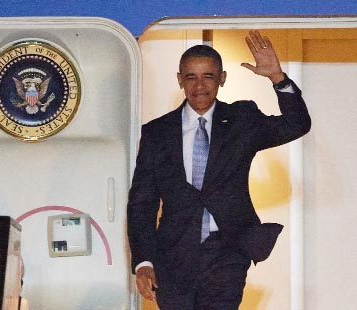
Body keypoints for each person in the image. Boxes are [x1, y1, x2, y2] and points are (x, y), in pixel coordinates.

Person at [126, 30, 311, 309]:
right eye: (191, 77)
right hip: (173, 256)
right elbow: (142, 203)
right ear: (179, 80)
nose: (199, 85)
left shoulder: (242, 120)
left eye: (208, 76)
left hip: (227, 252)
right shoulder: (156, 133)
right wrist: (143, 261)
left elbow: (297, 125)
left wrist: (277, 78)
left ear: (222, 79)